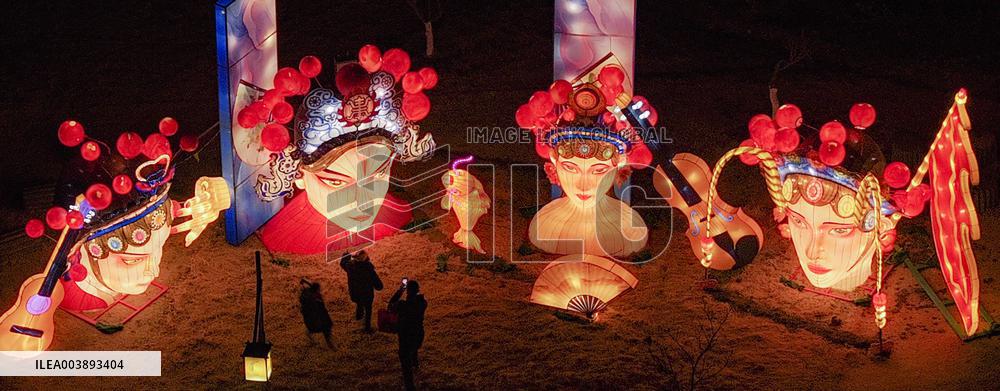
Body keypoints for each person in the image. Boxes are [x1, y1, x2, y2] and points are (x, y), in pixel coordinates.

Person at [390, 279, 427, 391]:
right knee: (414, 349)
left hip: (406, 336)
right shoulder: (422, 303)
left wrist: (401, 290)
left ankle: (409, 386)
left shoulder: (402, 305)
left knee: (405, 362)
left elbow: (391, 306)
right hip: (418, 334)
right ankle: (415, 364)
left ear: (408, 291)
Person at [340, 250, 383, 332]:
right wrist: (377, 285)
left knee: (359, 303)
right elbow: (379, 286)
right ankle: (367, 327)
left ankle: (358, 318)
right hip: (367, 295)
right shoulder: (369, 269)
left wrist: (346, 253)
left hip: (355, 293)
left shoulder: (350, 267)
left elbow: (342, 263)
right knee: (368, 309)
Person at [298, 279, 334, 348]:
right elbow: (315, 309)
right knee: (324, 329)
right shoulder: (312, 299)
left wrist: (305, 281)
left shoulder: (309, 293)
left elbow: (311, 285)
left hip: (317, 317)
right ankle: (330, 344)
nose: (320, 290)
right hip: (318, 318)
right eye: (318, 289)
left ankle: (329, 342)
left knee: (324, 329)